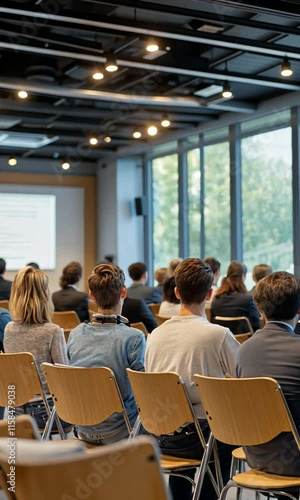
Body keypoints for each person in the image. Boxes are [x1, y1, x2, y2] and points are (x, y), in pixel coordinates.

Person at [146, 258, 240, 500]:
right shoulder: (218, 335)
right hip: (202, 438)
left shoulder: (154, 335)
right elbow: (244, 377)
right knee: (226, 431)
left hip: (160, 435)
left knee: (185, 417)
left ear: (176, 292)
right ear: (209, 294)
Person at [67, 262, 146, 444]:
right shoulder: (134, 338)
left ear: (92, 296)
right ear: (124, 292)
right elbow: (144, 394)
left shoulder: (75, 334)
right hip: (122, 431)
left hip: (82, 429)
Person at [237, 271, 300, 477]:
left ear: (259, 309)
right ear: (298, 310)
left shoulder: (244, 350)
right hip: (295, 458)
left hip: (255, 455)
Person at [3, 266, 69, 429]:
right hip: (46, 413)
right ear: (45, 296)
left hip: (14, 411)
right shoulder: (52, 331)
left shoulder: (9, 328)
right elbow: (65, 377)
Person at [211, 260, 260, 332]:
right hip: (244, 342)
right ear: (243, 277)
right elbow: (256, 326)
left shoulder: (216, 300)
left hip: (223, 341)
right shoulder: (247, 300)